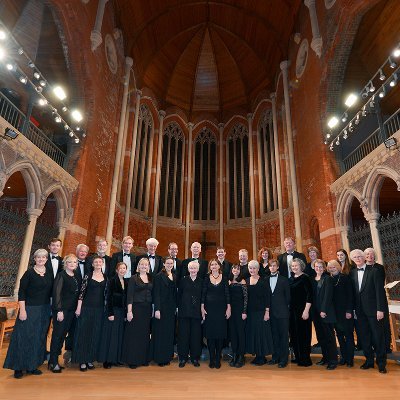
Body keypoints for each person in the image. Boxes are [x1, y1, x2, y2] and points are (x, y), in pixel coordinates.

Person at [3, 249, 53, 379]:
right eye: (38, 257)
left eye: (43, 257)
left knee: (38, 338)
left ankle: (32, 365)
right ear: (34, 259)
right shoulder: (29, 273)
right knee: (23, 337)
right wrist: (23, 310)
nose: (41, 259)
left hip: (44, 310)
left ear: (47, 259)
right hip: (29, 309)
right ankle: (18, 367)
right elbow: (22, 293)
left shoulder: (49, 274)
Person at [349, 249, 387, 373]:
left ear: (364, 257)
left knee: (377, 337)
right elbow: (353, 294)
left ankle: (381, 363)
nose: (358, 258)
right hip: (359, 312)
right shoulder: (352, 273)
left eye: (359, 256)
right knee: (364, 337)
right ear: (352, 259)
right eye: (355, 257)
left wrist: (380, 309)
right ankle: (369, 361)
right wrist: (353, 309)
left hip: (373, 311)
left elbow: (379, 292)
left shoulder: (374, 271)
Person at [72, 255, 106, 371]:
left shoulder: (105, 277)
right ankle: (82, 360)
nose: (97, 263)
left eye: (99, 262)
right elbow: (82, 292)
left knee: (95, 334)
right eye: (95, 262)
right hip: (86, 308)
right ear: (92, 264)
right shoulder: (88, 275)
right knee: (84, 333)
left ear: (102, 264)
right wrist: (78, 308)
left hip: (99, 310)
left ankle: (90, 359)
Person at [48, 254, 79, 373]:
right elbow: (57, 294)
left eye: (74, 262)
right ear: (65, 263)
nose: (72, 264)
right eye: (70, 262)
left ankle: (55, 360)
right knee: (57, 335)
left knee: (63, 335)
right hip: (62, 310)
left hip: (71, 311)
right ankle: (53, 362)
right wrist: (59, 311)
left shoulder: (75, 275)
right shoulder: (61, 275)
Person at [121, 257, 153, 368]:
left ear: (148, 267)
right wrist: (129, 311)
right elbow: (129, 296)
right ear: (138, 266)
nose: (144, 266)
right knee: (133, 334)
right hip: (136, 308)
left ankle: (143, 358)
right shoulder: (133, 278)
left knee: (144, 334)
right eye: (142, 264)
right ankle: (132, 360)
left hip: (147, 309)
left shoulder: (150, 278)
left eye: (146, 265)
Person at [98, 262, 129, 369]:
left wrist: (125, 314)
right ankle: (107, 360)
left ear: (126, 270)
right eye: (120, 268)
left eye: (124, 268)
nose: (122, 270)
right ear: (116, 270)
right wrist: (110, 313)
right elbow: (108, 297)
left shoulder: (126, 281)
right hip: (113, 312)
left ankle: (116, 359)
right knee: (110, 335)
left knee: (118, 335)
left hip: (121, 312)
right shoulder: (111, 281)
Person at [201, 259, 231, 369]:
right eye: (212, 264)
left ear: (219, 266)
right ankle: (212, 358)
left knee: (220, 334)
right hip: (209, 309)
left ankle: (218, 358)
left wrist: (228, 308)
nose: (214, 266)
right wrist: (202, 307)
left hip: (221, 309)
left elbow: (227, 294)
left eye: (215, 264)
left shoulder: (224, 278)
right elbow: (203, 293)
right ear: (210, 267)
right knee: (210, 335)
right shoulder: (206, 278)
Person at [327, 259, 354, 367]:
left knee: (348, 335)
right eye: (330, 267)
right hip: (335, 313)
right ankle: (343, 357)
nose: (332, 269)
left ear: (338, 267)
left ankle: (350, 359)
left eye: (333, 267)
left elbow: (350, 295)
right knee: (340, 336)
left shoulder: (345, 278)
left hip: (345, 312)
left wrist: (349, 310)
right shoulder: (329, 279)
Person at [245, 260, 273, 366]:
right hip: (250, 312)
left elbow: (268, 297)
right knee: (253, 334)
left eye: (254, 268)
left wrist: (267, 312)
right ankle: (257, 355)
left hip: (261, 312)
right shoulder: (246, 281)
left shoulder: (263, 281)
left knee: (261, 334)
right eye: (250, 268)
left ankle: (262, 357)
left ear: (258, 269)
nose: (252, 270)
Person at [311, 259, 338, 370]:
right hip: (316, 313)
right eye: (317, 266)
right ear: (314, 267)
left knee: (329, 337)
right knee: (321, 337)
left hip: (325, 313)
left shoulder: (328, 279)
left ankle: (333, 360)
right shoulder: (313, 279)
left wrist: (323, 310)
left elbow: (328, 296)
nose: (319, 268)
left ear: (324, 268)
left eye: (321, 267)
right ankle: (325, 358)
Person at [364, 247, 391, 353]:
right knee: (372, 327)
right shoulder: (363, 268)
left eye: (371, 254)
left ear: (374, 255)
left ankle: (386, 346)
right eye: (367, 254)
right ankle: (375, 346)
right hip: (369, 303)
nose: (370, 256)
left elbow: (379, 285)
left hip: (380, 300)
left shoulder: (379, 267)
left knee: (383, 325)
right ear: (365, 257)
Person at [152, 257, 177, 367]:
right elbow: (156, 293)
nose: (170, 265)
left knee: (169, 332)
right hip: (161, 308)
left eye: (171, 263)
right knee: (161, 333)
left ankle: (167, 356)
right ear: (164, 264)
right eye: (168, 263)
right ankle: (160, 358)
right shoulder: (158, 276)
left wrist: (176, 307)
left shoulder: (175, 276)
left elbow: (175, 294)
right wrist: (157, 309)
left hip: (171, 309)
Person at [177, 261, 203, 368]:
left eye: (195, 268)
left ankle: (195, 358)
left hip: (196, 312)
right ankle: (183, 358)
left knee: (195, 336)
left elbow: (203, 297)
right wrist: (178, 308)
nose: (193, 270)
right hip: (184, 311)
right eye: (191, 268)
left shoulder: (201, 281)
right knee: (183, 335)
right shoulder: (183, 280)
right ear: (188, 269)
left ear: (198, 269)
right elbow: (179, 295)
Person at [288, 258, 313, 367]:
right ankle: (298, 357)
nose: (294, 267)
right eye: (292, 266)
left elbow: (310, 295)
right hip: (292, 311)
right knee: (294, 335)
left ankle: (305, 359)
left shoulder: (305, 278)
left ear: (301, 266)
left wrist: (306, 311)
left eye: (296, 265)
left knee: (304, 335)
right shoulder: (290, 279)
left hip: (303, 310)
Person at [267, 259, 290, 368]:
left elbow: (288, 298)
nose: (272, 267)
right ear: (269, 268)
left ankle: (284, 359)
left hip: (282, 313)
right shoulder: (265, 280)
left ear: (277, 267)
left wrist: (285, 310)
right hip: (270, 314)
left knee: (284, 337)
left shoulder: (284, 280)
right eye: (270, 266)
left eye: (274, 266)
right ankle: (275, 357)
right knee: (274, 337)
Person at [228, 264, 247, 368]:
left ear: (240, 271)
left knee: (240, 333)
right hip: (231, 311)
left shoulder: (242, 281)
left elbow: (246, 298)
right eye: (234, 268)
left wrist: (244, 312)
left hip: (240, 311)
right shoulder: (228, 281)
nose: (235, 270)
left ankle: (241, 356)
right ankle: (234, 355)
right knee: (233, 333)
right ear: (232, 270)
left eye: (238, 269)